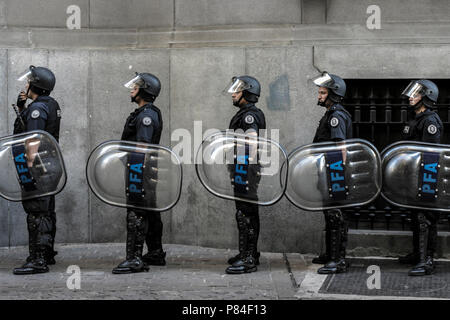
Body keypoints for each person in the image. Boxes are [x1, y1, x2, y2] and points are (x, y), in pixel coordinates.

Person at [112, 73, 166, 274]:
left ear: (145, 90)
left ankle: (134, 258)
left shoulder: (145, 115)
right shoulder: (146, 112)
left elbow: (142, 146)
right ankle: (155, 252)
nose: (132, 88)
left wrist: (136, 174)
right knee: (149, 209)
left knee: (137, 211)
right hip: (144, 168)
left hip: (139, 167)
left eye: (136, 86)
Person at [13, 66, 61, 275]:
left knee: (36, 212)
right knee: (46, 210)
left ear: (36, 85)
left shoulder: (37, 109)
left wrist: (28, 167)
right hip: (50, 165)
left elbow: (33, 139)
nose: (26, 85)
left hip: (38, 167)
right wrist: (22, 106)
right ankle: (47, 252)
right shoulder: (49, 104)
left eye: (29, 82)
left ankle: (37, 259)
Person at [399, 79, 443, 276]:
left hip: (426, 174)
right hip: (413, 174)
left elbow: (429, 153)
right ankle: (418, 253)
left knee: (425, 217)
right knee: (415, 216)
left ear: (426, 98)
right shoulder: (415, 118)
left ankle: (427, 259)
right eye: (411, 94)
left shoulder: (430, 121)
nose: (411, 97)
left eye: (415, 94)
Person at [310, 72, 352, 274]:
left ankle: (338, 259)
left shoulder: (336, 116)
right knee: (329, 214)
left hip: (334, 172)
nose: (319, 96)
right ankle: (330, 254)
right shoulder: (330, 114)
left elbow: (340, 147)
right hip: (328, 171)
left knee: (336, 215)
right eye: (319, 92)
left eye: (322, 92)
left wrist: (336, 176)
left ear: (333, 94)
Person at [223, 76, 266, 274]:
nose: (233, 93)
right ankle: (249, 253)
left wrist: (243, 165)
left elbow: (251, 142)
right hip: (242, 166)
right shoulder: (246, 113)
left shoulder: (250, 115)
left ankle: (248, 258)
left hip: (245, 166)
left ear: (247, 94)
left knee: (245, 212)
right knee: (246, 210)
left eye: (237, 90)